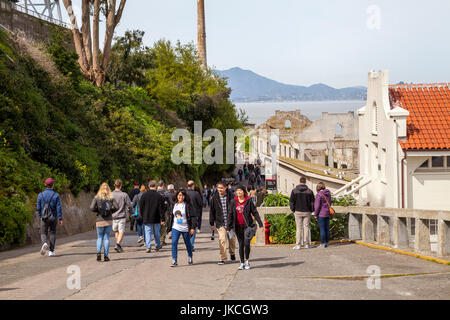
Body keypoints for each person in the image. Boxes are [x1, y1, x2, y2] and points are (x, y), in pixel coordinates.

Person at [231, 185, 264, 270]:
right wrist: (229, 226)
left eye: (240, 191)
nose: (238, 192)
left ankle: (247, 260)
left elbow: (255, 213)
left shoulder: (248, 201)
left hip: (247, 226)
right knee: (241, 244)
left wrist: (260, 224)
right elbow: (230, 214)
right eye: (237, 191)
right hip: (238, 226)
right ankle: (242, 262)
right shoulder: (233, 202)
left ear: (244, 192)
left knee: (246, 244)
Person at [209, 181, 236, 265]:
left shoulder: (232, 197)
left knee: (232, 239)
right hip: (220, 222)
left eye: (221, 188)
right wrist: (211, 223)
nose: (219, 189)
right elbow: (212, 211)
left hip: (231, 223)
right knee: (222, 240)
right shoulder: (214, 198)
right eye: (218, 188)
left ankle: (232, 253)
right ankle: (223, 258)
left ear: (225, 188)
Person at [90, 183, 118, 262]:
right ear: (108, 189)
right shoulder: (111, 197)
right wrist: (110, 211)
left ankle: (98, 253)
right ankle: (106, 256)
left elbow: (91, 207)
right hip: (108, 220)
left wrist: (98, 211)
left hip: (99, 220)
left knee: (99, 237)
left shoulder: (97, 197)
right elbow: (117, 207)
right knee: (106, 238)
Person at [167, 190, 196, 266]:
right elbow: (171, 215)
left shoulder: (188, 205)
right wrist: (169, 226)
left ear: (185, 196)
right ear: (177, 196)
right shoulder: (174, 204)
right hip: (175, 227)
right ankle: (174, 260)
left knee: (187, 243)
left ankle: (190, 257)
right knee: (174, 243)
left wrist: (192, 228)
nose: (181, 197)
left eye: (182, 195)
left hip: (185, 227)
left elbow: (193, 217)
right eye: (179, 195)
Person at [37, 178, 63, 257]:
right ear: (53, 185)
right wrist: (60, 218)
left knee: (43, 232)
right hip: (53, 217)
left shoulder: (40, 195)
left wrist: (40, 215)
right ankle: (51, 251)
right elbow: (59, 207)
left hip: (44, 217)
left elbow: (38, 207)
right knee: (52, 233)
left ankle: (44, 243)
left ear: (45, 184)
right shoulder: (56, 195)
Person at [289, 177, 315, 250]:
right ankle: (306, 244)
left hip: (297, 211)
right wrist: (311, 210)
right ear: (305, 182)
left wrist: (293, 209)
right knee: (306, 227)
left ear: (299, 181)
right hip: (307, 211)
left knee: (299, 228)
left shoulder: (294, 191)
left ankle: (298, 245)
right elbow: (313, 202)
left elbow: (291, 202)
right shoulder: (309, 191)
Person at [139, 180, 165, 253]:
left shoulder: (144, 195)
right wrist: (162, 218)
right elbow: (161, 208)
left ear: (149, 186)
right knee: (157, 232)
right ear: (155, 186)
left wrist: (142, 215)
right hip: (156, 217)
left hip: (146, 217)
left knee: (147, 232)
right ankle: (157, 245)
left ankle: (148, 246)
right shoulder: (159, 196)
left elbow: (141, 206)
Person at [112, 179, 132, 253]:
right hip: (121, 216)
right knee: (121, 231)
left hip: (113, 216)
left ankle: (118, 246)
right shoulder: (124, 195)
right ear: (121, 186)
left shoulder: (111, 194)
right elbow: (129, 205)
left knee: (116, 231)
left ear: (115, 185)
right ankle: (117, 244)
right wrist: (131, 212)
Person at [314, 182, 332, 248]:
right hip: (327, 213)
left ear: (318, 187)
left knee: (322, 229)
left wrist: (315, 214)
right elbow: (330, 202)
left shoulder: (319, 194)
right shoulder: (328, 193)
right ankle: (327, 242)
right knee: (327, 229)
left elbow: (317, 206)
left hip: (321, 214)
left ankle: (322, 244)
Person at [186, 181, 203, 251]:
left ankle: (188, 244)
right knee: (193, 229)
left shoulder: (184, 193)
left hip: (185, 214)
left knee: (187, 229)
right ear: (193, 185)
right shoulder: (196, 194)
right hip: (195, 214)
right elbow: (200, 203)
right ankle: (191, 245)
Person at [157, 180, 172, 246]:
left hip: (156, 211)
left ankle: (157, 239)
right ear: (163, 185)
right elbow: (170, 202)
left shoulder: (155, 192)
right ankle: (162, 240)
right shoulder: (166, 193)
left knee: (157, 226)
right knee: (164, 225)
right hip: (164, 211)